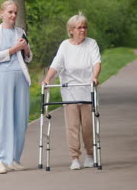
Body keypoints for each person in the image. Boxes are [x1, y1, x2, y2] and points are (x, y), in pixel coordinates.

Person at [42, 12, 101, 170]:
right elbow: (56, 64)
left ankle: (90, 155)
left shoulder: (91, 44)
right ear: (71, 30)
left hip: (87, 90)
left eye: (84, 27)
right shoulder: (65, 46)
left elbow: (96, 62)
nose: (82, 30)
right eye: (79, 27)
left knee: (88, 126)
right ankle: (74, 158)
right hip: (70, 92)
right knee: (72, 126)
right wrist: (47, 79)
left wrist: (94, 77)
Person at [0, 0, 32, 174]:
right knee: (2, 118)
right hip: (2, 77)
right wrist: (15, 48)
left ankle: (14, 159)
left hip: (20, 77)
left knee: (20, 118)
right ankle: (1, 160)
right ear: (1, 13)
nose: (13, 15)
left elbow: (28, 57)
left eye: (15, 13)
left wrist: (26, 49)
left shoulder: (20, 31)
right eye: (10, 12)